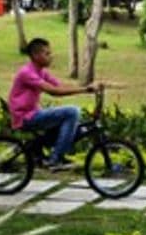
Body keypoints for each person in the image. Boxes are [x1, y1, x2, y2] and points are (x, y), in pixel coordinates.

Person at [8, 38, 95, 171]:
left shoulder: (41, 72)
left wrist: (87, 87)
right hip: (25, 117)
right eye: (47, 54)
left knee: (74, 122)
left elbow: (60, 85)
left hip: (33, 113)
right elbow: (54, 91)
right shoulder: (27, 73)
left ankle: (42, 150)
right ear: (36, 56)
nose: (51, 57)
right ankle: (56, 159)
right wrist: (84, 90)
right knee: (72, 112)